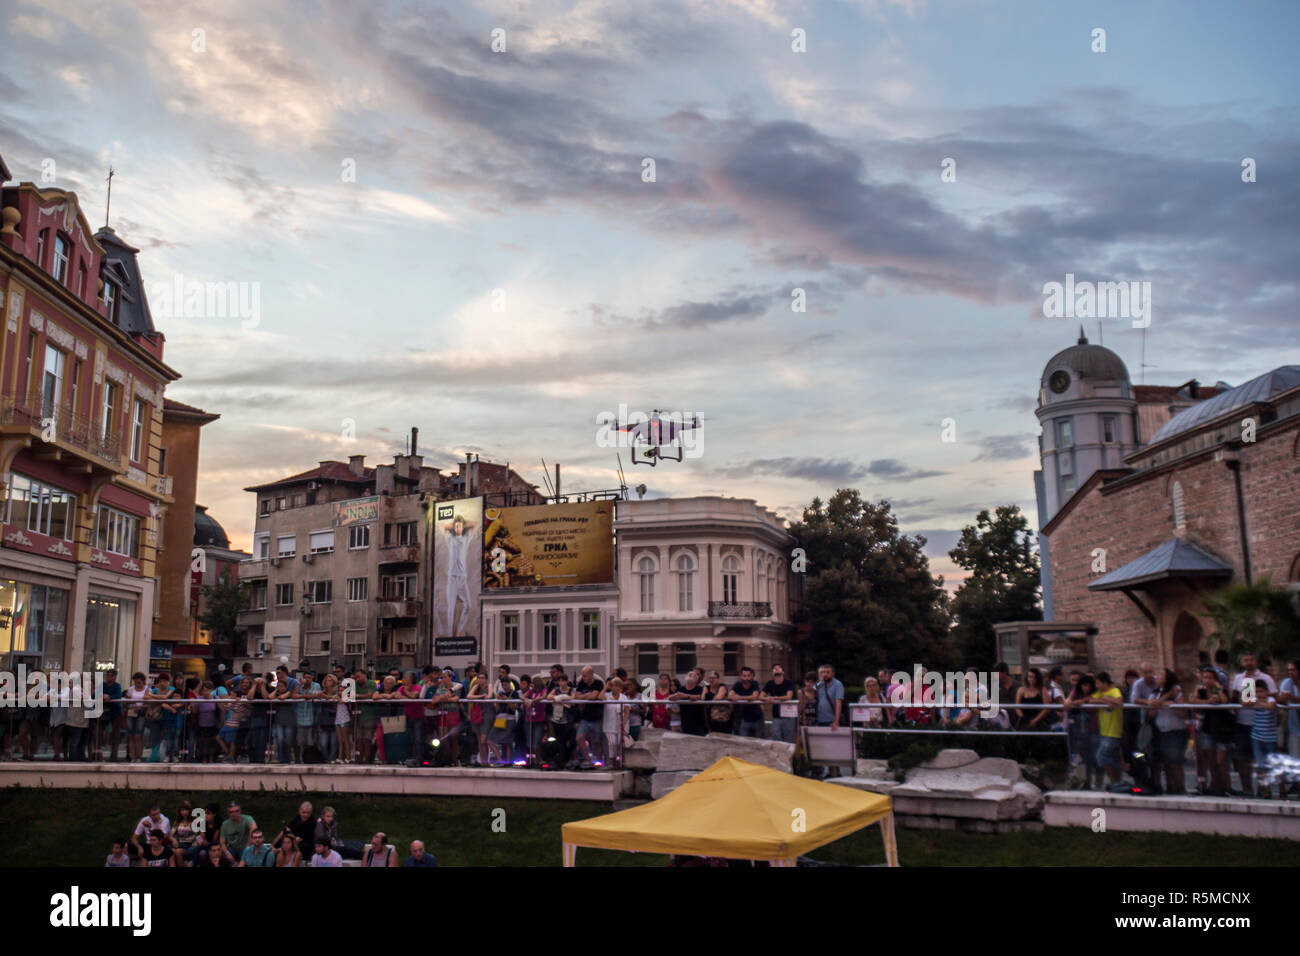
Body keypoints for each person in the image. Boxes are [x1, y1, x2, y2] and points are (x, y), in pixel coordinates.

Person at [1232, 652, 1278, 795]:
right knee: (1243, 758)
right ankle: (1247, 789)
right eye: (1245, 660)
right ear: (1242, 662)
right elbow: (1239, 699)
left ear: (1256, 661)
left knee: (1263, 760)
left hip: (1262, 724)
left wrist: (1259, 696)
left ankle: (1263, 789)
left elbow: (1274, 696)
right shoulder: (1239, 678)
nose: (1248, 663)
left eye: (1251, 660)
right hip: (1243, 723)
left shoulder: (1266, 678)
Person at [1194, 666, 1234, 796]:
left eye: (1210, 678)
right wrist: (1207, 701)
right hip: (1208, 728)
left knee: (1220, 761)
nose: (1207, 680)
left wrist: (1217, 688)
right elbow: (1193, 701)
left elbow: (1223, 700)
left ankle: (1227, 786)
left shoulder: (1221, 690)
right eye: (1205, 677)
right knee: (1210, 760)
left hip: (1222, 729)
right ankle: (1215, 785)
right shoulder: (1201, 691)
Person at [1148, 668, 1188, 795]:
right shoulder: (1155, 693)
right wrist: (1165, 698)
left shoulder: (1177, 692)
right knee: (1165, 762)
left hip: (1175, 731)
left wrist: (1171, 702)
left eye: (1160, 674)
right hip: (1160, 731)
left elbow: (1183, 712)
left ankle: (1180, 788)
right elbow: (1150, 713)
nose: (1156, 676)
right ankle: (1170, 787)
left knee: (1174, 761)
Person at [1063, 674, 1100, 788]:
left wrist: (1081, 701)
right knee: (1083, 757)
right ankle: (1085, 782)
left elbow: (1092, 700)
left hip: (1094, 729)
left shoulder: (1096, 693)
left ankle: (1099, 783)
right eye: (1084, 685)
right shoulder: (1076, 692)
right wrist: (1071, 701)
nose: (1086, 688)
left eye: (1089, 686)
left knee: (1095, 757)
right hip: (1080, 731)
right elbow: (1067, 702)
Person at [1092, 672, 1125, 788]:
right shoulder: (1100, 693)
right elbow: (1091, 700)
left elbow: (1119, 702)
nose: (1096, 685)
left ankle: (1116, 780)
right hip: (1104, 732)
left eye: (1098, 683)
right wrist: (1104, 700)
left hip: (1114, 731)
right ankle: (1117, 782)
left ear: (1105, 683)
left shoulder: (1114, 691)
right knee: (1112, 757)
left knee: (1102, 757)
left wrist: (1107, 699)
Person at [571, 665, 605, 767]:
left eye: (585, 676)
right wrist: (588, 697)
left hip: (597, 717)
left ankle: (598, 761)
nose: (583, 678)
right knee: (579, 737)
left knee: (597, 741)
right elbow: (576, 696)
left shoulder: (598, 683)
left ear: (591, 674)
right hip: (585, 717)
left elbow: (595, 696)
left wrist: (584, 697)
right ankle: (588, 759)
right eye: (582, 675)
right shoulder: (581, 683)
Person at [271, 665, 299, 763]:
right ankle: (280, 758)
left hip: (291, 715)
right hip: (279, 716)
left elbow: (295, 693)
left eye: (278, 672)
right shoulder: (277, 685)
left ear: (284, 672)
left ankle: (289, 759)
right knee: (280, 739)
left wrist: (288, 693)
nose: (277, 675)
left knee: (288, 740)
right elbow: (271, 697)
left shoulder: (294, 682)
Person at [762, 665, 797, 742]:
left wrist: (774, 698)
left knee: (789, 740)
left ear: (783, 672)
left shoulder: (789, 682)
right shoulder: (769, 683)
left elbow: (789, 697)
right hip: (776, 717)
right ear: (772, 673)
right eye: (774, 668)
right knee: (776, 739)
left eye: (779, 668)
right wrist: (766, 698)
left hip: (789, 716)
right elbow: (760, 696)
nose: (776, 669)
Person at [730, 666, 765, 737]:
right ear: (741, 676)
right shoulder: (738, 684)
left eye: (749, 676)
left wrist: (739, 697)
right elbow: (730, 695)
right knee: (743, 741)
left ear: (752, 676)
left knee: (759, 741)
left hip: (757, 718)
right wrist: (734, 697)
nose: (746, 678)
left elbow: (754, 696)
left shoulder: (755, 683)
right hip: (745, 719)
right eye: (744, 676)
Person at [294, 670, 321, 762]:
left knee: (311, 742)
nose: (307, 680)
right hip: (300, 718)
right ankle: (300, 759)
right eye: (306, 678)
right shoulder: (300, 685)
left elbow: (316, 695)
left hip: (312, 718)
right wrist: (300, 685)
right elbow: (294, 695)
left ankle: (310, 759)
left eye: (309, 678)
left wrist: (302, 696)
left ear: (312, 679)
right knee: (300, 742)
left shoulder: (316, 685)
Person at [354, 668, 378, 764]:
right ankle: (359, 760)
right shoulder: (355, 684)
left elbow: (370, 695)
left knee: (367, 739)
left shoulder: (372, 683)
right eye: (356, 677)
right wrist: (363, 695)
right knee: (358, 739)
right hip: (357, 716)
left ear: (364, 675)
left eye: (359, 676)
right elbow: (348, 695)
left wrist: (357, 695)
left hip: (369, 715)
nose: (357, 679)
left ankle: (367, 760)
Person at [602, 677, 628, 764]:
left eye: (615, 686)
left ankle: (620, 762)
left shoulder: (623, 697)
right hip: (609, 725)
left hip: (620, 725)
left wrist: (623, 724)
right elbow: (600, 697)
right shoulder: (607, 696)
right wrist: (606, 687)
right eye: (612, 685)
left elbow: (627, 711)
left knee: (619, 744)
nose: (613, 687)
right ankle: (612, 762)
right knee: (612, 743)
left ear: (619, 688)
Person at [673, 670, 707, 737]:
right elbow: (671, 697)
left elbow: (701, 697)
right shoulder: (681, 689)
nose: (690, 675)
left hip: (698, 722)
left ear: (696, 679)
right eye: (689, 674)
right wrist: (675, 696)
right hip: (685, 722)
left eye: (693, 675)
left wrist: (686, 696)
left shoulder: (700, 689)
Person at [522, 674, 548, 760]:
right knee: (529, 742)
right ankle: (531, 760)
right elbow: (522, 696)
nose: (531, 685)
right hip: (529, 719)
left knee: (537, 742)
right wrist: (526, 700)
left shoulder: (543, 690)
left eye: (533, 683)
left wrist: (533, 700)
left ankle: (539, 759)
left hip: (539, 720)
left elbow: (544, 697)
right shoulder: (530, 691)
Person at [100, 669, 124, 762]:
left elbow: (118, 695)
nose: (108, 677)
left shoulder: (117, 686)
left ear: (114, 677)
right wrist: (102, 696)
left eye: (110, 675)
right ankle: (98, 754)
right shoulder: (103, 685)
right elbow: (95, 694)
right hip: (105, 712)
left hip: (115, 712)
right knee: (100, 733)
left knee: (115, 735)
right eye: (107, 675)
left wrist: (109, 697)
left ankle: (113, 756)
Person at [1281, 660, 1300, 763]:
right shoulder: (1287, 682)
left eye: (1293, 670)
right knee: (1295, 761)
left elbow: (1292, 698)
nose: (1290, 673)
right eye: (1289, 670)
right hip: (1294, 728)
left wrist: (1293, 698)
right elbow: (1282, 699)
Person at [814, 664, 844, 729]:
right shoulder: (819, 684)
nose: (825, 674)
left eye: (828, 672)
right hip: (818, 719)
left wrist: (836, 721)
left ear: (833, 674)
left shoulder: (838, 684)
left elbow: (838, 703)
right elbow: (811, 693)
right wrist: (820, 682)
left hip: (831, 720)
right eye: (824, 672)